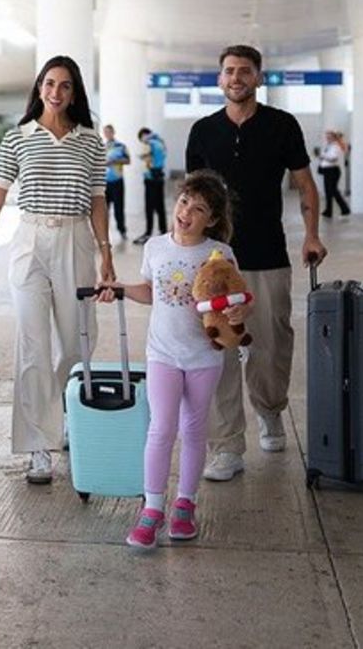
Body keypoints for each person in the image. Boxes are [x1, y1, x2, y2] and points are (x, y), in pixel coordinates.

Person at [0, 55, 114, 484]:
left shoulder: (90, 142)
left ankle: (63, 414)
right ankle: (38, 446)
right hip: (30, 242)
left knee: (77, 341)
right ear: (39, 88)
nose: (55, 92)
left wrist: (105, 252)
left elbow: (98, 199)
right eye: (49, 83)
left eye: (65, 85)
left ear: (75, 92)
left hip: (75, 240)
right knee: (32, 345)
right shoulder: (18, 137)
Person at [184, 44, 326, 482]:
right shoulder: (203, 131)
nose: (236, 78)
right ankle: (227, 446)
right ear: (220, 79)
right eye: (229, 71)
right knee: (220, 350)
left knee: (270, 345)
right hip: (214, 261)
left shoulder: (282, 125)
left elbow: (305, 185)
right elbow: (191, 198)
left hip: (267, 254)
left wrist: (312, 235)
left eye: (245, 71)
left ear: (259, 78)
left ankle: (269, 410)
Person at [98, 171, 250, 550]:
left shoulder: (220, 254)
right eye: (184, 202)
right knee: (161, 428)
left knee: (194, 431)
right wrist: (120, 289)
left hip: (203, 358)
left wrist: (238, 313)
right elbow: (151, 291)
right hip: (163, 354)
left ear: (212, 220)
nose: (186, 213)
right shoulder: (155, 247)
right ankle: (152, 509)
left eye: (198, 209)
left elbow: (237, 299)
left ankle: (185, 505)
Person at [133, 127, 168, 244]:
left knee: (149, 207)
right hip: (159, 177)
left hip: (151, 178)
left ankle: (148, 233)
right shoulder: (160, 142)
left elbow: (147, 157)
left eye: (141, 138)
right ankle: (163, 231)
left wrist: (142, 157)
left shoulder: (149, 143)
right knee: (160, 206)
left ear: (144, 135)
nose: (142, 141)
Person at [102, 124, 131, 241]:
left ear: (113, 132)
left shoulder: (121, 146)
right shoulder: (102, 147)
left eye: (109, 131)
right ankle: (103, 233)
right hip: (104, 183)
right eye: (105, 132)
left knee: (119, 208)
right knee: (104, 210)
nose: (107, 134)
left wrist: (115, 161)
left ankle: (122, 230)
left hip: (117, 181)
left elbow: (128, 160)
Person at [316, 129, 351, 218]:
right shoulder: (329, 146)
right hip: (328, 171)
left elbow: (333, 158)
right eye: (327, 136)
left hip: (332, 171)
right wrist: (321, 156)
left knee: (333, 191)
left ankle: (345, 209)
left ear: (334, 137)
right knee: (329, 191)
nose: (327, 138)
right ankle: (328, 211)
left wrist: (322, 156)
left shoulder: (336, 146)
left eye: (329, 136)